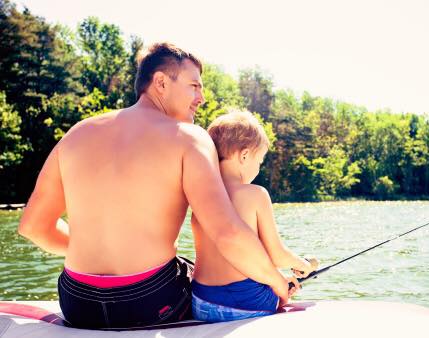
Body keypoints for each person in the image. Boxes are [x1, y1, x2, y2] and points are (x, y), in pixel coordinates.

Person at [17, 42, 288, 329]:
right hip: (148, 301)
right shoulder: (189, 138)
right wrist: (277, 281)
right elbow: (227, 233)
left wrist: (89, 251)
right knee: (200, 275)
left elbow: (33, 226)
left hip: (77, 301)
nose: (202, 98)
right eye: (194, 86)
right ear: (160, 82)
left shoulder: (77, 134)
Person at [191, 111, 318, 322]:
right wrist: (303, 265)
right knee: (281, 292)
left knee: (272, 282)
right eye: (259, 161)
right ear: (244, 156)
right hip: (244, 302)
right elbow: (277, 255)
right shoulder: (255, 194)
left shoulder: (203, 198)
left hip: (200, 300)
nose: (258, 169)